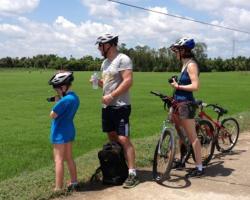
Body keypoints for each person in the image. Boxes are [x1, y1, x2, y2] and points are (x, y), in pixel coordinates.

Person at [93, 33, 139, 188]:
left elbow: (128, 81)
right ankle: (118, 170)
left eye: (101, 45)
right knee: (112, 139)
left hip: (121, 106)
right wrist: (97, 82)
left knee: (124, 139)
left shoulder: (123, 59)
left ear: (109, 45)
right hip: (107, 107)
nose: (99, 48)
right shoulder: (105, 63)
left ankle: (132, 173)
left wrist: (112, 95)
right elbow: (107, 84)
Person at [169, 37, 204, 177]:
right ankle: (183, 159)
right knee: (179, 130)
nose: (175, 53)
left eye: (177, 50)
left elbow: (195, 86)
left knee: (192, 136)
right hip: (178, 102)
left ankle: (200, 167)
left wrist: (178, 86)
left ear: (184, 51)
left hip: (186, 104)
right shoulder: (184, 64)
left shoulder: (191, 65)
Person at [48, 71, 80, 191]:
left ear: (63, 87)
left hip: (59, 132)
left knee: (58, 160)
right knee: (69, 158)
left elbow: (52, 115)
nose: (56, 92)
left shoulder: (63, 101)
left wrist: (57, 102)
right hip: (69, 129)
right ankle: (74, 182)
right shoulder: (74, 97)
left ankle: (58, 187)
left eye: (57, 89)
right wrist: (60, 100)